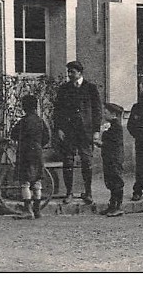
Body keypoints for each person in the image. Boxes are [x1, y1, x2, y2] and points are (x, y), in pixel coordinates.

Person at [53, 60, 103, 204]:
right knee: (68, 162)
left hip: (86, 132)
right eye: (68, 72)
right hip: (69, 132)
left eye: (72, 72)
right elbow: (58, 111)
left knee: (87, 162)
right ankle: (69, 193)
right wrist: (59, 129)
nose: (69, 75)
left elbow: (97, 111)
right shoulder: (64, 89)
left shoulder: (90, 88)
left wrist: (96, 131)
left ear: (80, 73)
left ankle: (88, 192)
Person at [9, 94, 51, 220]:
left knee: (25, 182)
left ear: (24, 107)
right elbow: (47, 138)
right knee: (37, 181)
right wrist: (38, 145)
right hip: (37, 153)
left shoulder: (23, 121)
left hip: (25, 153)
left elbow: (13, 135)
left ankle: (28, 211)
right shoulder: (40, 121)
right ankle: (37, 211)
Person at [99, 102, 125, 217]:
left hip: (114, 157)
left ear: (113, 114)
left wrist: (101, 143)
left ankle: (118, 207)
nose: (104, 115)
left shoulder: (116, 127)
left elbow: (113, 144)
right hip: (109, 157)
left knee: (116, 181)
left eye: (106, 113)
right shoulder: (111, 125)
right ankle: (112, 205)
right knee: (110, 181)